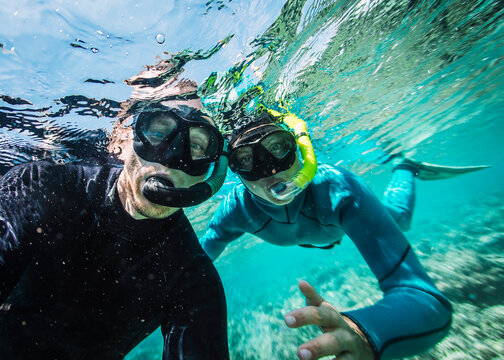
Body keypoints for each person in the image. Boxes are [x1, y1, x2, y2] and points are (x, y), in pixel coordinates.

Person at [200, 109, 488, 360]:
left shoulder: (338, 190)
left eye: (278, 147)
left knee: (398, 219)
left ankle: (405, 167)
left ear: (301, 147)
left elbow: (428, 302)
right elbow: (194, 266)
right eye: (246, 160)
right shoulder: (236, 209)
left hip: (339, 225)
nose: (270, 168)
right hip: (325, 233)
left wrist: (365, 332)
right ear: (234, 170)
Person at [0, 74, 231, 359]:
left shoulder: (191, 276)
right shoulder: (45, 185)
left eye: (196, 146)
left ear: (213, 167)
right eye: (158, 132)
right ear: (124, 136)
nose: (172, 158)